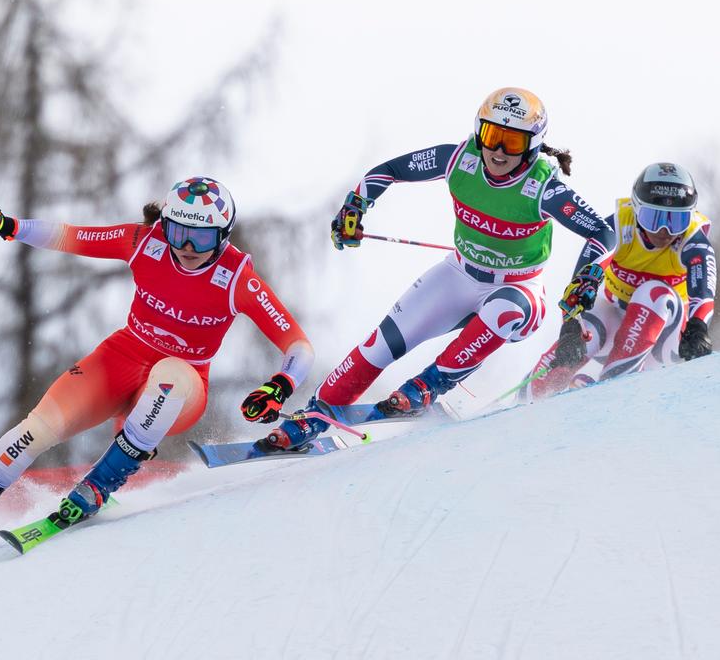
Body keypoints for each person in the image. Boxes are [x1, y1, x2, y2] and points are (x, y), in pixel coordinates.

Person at [0, 177, 314, 559]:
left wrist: (279, 385)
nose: (187, 246)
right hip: (121, 358)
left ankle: (99, 486)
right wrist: (8, 225)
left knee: (169, 377)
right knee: (35, 429)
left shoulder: (236, 277)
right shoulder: (143, 241)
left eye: (202, 236)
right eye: (177, 232)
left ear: (223, 236)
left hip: (183, 383)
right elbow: (71, 236)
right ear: (165, 226)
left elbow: (297, 345)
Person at [260, 87, 615, 451]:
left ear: (533, 145)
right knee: (380, 346)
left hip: (520, 290)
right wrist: (355, 205)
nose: (498, 151)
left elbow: (603, 231)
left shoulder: (543, 187)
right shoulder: (459, 160)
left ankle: (427, 387)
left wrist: (588, 274)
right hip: (458, 275)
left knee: (502, 310)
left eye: (512, 141)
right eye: (492, 136)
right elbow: (390, 170)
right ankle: (313, 417)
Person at [524, 162, 716, 398]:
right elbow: (579, 284)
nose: (665, 231)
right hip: (618, 326)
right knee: (587, 327)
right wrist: (571, 331)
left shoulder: (692, 237)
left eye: (677, 220)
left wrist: (698, 329)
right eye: (653, 218)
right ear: (636, 209)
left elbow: (704, 292)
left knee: (654, 292)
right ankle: (524, 401)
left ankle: (612, 390)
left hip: (666, 342)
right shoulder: (619, 225)